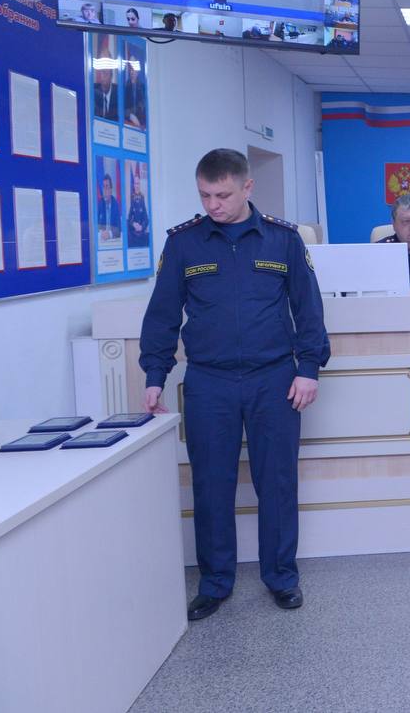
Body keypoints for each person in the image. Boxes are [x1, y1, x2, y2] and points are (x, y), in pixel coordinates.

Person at [139, 148, 329, 622]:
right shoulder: (184, 244)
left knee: (277, 483)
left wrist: (308, 368)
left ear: (247, 187)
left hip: (274, 379)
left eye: (222, 195)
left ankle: (281, 577)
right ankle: (215, 583)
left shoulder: (283, 240)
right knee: (210, 485)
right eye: (205, 195)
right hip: (209, 381)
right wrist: (154, 376)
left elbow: (308, 309)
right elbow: (162, 316)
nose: (213, 205)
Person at [123, 54, 146, 129]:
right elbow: (121, 109)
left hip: (142, 125)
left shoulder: (143, 88)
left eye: (134, 69)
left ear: (138, 70)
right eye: (130, 69)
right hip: (128, 124)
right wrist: (130, 115)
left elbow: (143, 106)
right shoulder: (125, 87)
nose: (132, 72)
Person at [96, 173, 121, 241]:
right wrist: (101, 232)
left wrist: (109, 234)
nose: (105, 190)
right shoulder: (100, 204)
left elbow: (119, 229)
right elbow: (96, 225)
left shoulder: (115, 205)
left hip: (112, 241)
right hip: (102, 240)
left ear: (111, 190)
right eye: (103, 187)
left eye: (107, 187)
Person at [126, 178, 149, 247]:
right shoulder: (130, 198)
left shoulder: (143, 198)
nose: (137, 186)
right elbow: (128, 219)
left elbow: (146, 220)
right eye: (135, 184)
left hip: (142, 234)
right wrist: (133, 224)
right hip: (133, 235)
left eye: (138, 183)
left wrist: (142, 227)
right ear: (133, 185)